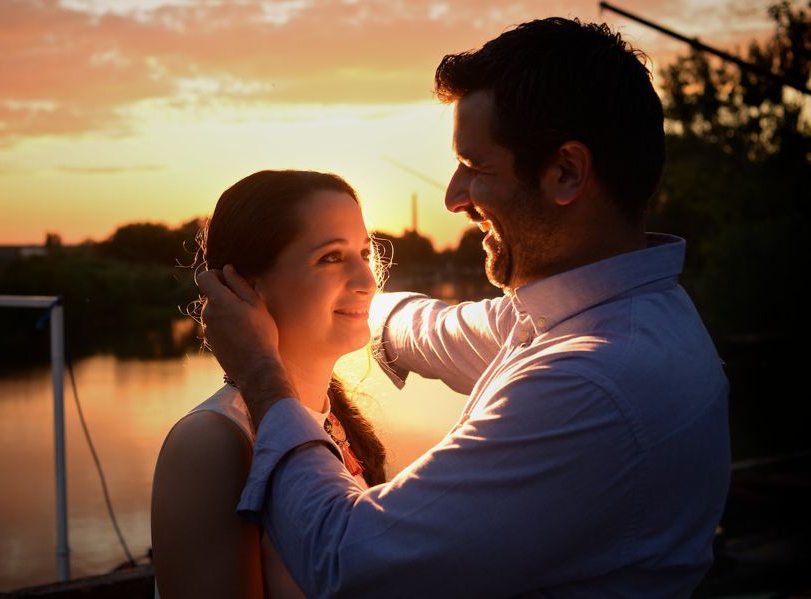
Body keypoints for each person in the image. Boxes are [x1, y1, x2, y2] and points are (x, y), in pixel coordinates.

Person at [199, 17, 731, 598]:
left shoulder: (591, 378)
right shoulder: (598, 317)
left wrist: (262, 375)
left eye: (476, 168)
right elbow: (433, 327)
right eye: (332, 257)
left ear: (566, 172)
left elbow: (344, 561)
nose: (452, 197)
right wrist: (348, 302)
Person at [151, 170, 388, 598]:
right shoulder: (213, 443)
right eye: (331, 258)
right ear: (247, 286)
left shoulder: (337, 424)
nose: (368, 281)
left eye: (365, 253)